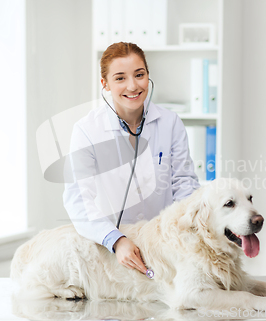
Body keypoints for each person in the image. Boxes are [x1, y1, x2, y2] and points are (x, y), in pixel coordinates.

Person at [63, 42, 200, 275]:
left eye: (139, 75)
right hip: (114, 250)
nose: (133, 85)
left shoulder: (170, 123)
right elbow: (78, 200)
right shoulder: (87, 130)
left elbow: (184, 184)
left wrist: (188, 230)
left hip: (167, 244)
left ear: (148, 76)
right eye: (120, 78)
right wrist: (115, 240)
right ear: (104, 84)